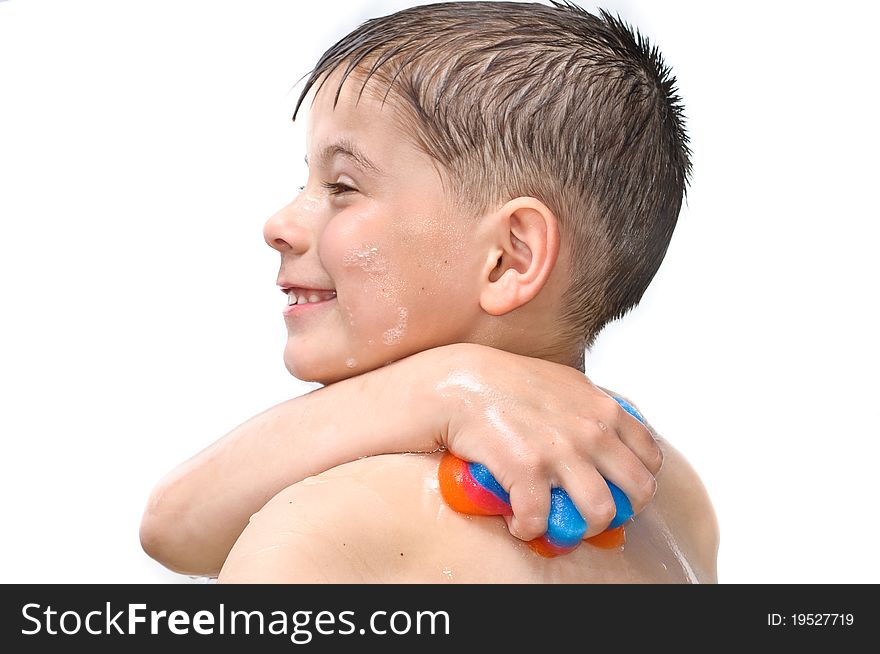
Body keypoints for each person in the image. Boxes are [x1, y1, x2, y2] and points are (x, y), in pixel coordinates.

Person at [139, 0, 718, 583]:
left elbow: (175, 529)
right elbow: (170, 526)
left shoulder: (330, 531)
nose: (279, 224)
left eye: (342, 186)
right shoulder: (675, 501)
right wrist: (442, 389)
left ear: (509, 255)